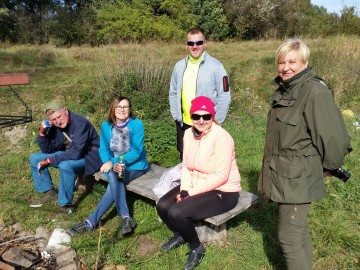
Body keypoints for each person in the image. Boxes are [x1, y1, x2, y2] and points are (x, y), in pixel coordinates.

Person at [257, 38, 352, 270]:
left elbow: (333, 137)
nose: (285, 67)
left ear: (305, 62)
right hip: (286, 175)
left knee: (289, 239)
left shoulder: (313, 91)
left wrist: (330, 165)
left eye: (292, 61)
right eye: (281, 62)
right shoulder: (288, 89)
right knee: (297, 233)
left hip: (298, 177)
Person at [157, 96, 241, 270]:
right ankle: (181, 234)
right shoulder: (188, 134)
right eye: (196, 116)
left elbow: (221, 176)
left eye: (206, 116)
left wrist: (191, 194)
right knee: (163, 205)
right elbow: (187, 165)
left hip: (224, 191)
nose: (201, 120)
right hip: (197, 183)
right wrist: (185, 190)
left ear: (212, 116)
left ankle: (196, 247)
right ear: (191, 116)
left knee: (177, 212)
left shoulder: (222, 137)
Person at [67, 96, 149, 236]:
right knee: (113, 176)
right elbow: (103, 149)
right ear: (113, 108)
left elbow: (136, 152)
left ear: (129, 109)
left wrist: (114, 162)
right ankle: (126, 218)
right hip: (115, 165)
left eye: (126, 107)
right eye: (119, 107)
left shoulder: (137, 124)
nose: (122, 110)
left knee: (113, 181)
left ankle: (91, 221)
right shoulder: (106, 126)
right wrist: (109, 163)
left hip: (135, 166)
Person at [29, 100, 102, 214]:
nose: (58, 121)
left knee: (65, 165)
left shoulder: (80, 123)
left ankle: (66, 205)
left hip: (91, 156)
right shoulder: (57, 126)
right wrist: (42, 134)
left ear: (66, 111)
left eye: (59, 116)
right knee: (35, 158)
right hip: (71, 153)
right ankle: (49, 191)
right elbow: (48, 149)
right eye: (54, 119)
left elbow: (77, 152)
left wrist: (50, 160)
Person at [169, 27, 231, 160]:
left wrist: (217, 121)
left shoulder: (216, 66)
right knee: (185, 161)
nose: (195, 46)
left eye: (199, 43)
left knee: (207, 161)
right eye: (191, 43)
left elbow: (224, 95)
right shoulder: (179, 67)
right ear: (186, 45)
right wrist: (176, 115)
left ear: (205, 43)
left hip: (207, 123)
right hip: (184, 123)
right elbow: (173, 92)